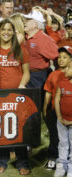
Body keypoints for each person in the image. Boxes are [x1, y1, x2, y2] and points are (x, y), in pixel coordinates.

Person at [0, 18, 30, 175]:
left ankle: (22, 161)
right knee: (2, 130)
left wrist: (22, 86)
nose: (6, 32)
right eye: (3, 29)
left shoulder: (21, 50)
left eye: (9, 29)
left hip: (17, 96)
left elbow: (26, 72)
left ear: (13, 32)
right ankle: (1, 161)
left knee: (19, 129)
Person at [43, 46, 72, 170]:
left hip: (69, 112)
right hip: (56, 111)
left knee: (69, 139)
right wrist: (45, 108)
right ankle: (53, 158)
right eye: (59, 57)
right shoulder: (54, 74)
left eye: (65, 57)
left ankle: (68, 162)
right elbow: (48, 92)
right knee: (55, 136)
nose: (61, 60)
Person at [23, 9, 59, 89]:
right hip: (25, 74)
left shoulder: (44, 39)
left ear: (35, 24)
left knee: (36, 100)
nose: (24, 22)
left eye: (28, 20)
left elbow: (57, 57)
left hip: (38, 77)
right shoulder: (24, 37)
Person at [54, 48, 72, 177]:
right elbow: (57, 99)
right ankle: (61, 165)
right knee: (63, 143)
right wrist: (59, 117)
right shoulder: (62, 82)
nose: (65, 70)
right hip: (61, 121)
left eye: (69, 68)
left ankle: (71, 167)